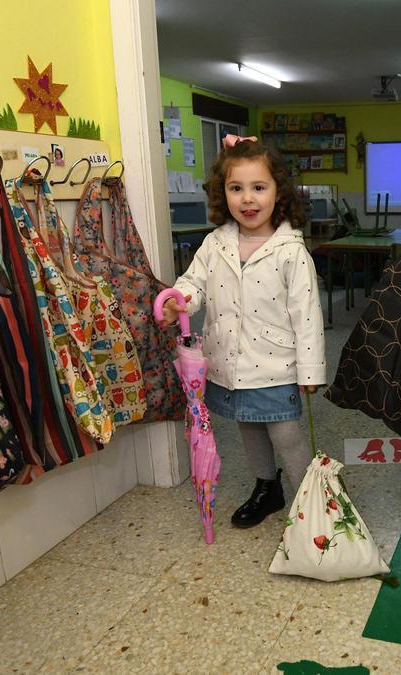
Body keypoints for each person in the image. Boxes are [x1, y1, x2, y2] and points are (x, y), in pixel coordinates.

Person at [159, 135, 326, 528]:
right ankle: (268, 488)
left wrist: (311, 371)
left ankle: (311, 500)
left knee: (285, 433)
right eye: (236, 188)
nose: (247, 199)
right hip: (229, 361)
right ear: (224, 194)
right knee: (248, 427)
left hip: (275, 363)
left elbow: (308, 316)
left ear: (278, 193)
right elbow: (194, 283)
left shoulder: (290, 251)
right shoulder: (214, 244)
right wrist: (178, 299)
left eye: (258, 187)